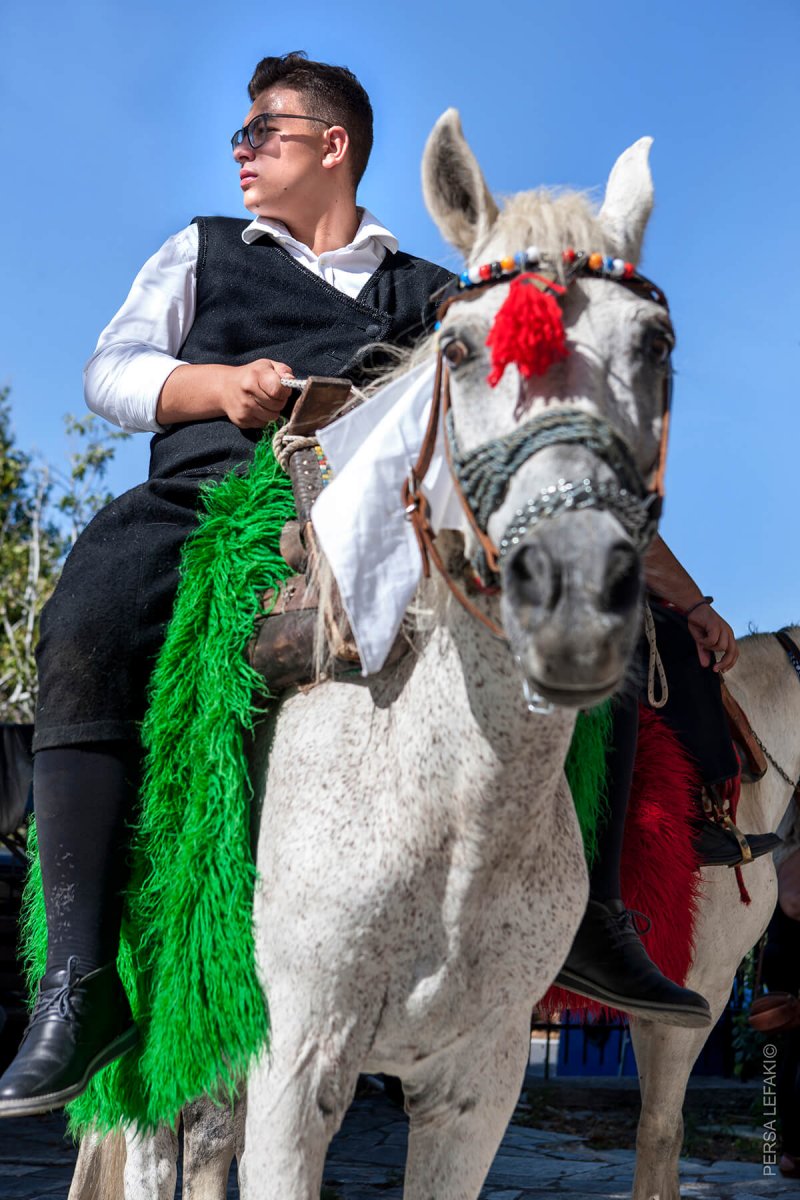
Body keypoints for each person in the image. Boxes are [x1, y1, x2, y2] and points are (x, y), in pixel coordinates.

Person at [0, 51, 776, 1116]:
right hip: (211, 495)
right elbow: (111, 370)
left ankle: (593, 911)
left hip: (381, 515)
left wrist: (677, 592)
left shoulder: (431, 290)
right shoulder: (205, 249)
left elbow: (536, 440)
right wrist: (213, 383)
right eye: (238, 136)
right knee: (87, 605)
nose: (239, 153)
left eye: (258, 133)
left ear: (333, 145)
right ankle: (78, 982)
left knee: (595, 626)